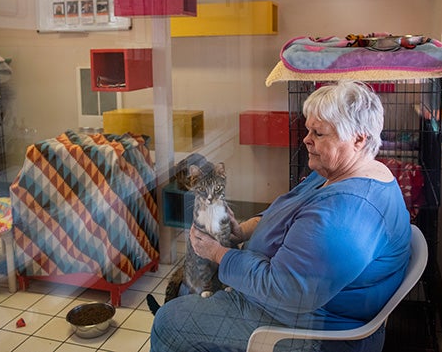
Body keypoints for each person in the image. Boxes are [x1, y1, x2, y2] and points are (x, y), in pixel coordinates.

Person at [151, 81, 412, 352]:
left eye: (319, 133)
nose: (306, 139)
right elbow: (289, 209)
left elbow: (285, 289)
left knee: (169, 322)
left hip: (305, 329)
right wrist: (244, 230)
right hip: (288, 305)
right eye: (309, 129)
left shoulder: (348, 212)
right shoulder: (340, 172)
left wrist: (217, 253)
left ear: (359, 139)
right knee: (186, 294)